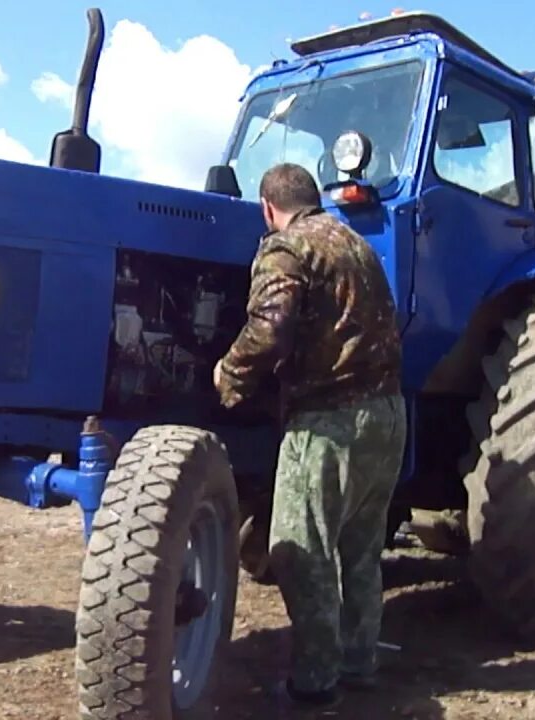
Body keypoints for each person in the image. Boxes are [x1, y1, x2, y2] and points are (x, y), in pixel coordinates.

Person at [213, 162, 407, 711]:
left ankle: (316, 681)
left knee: (297, 549)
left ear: (267, 208)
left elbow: (270, 326)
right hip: (388, 414)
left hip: (329, 422)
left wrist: (228, 374)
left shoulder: (286, 248)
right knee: (361, 550)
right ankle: (358, 661)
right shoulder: (356, 245)